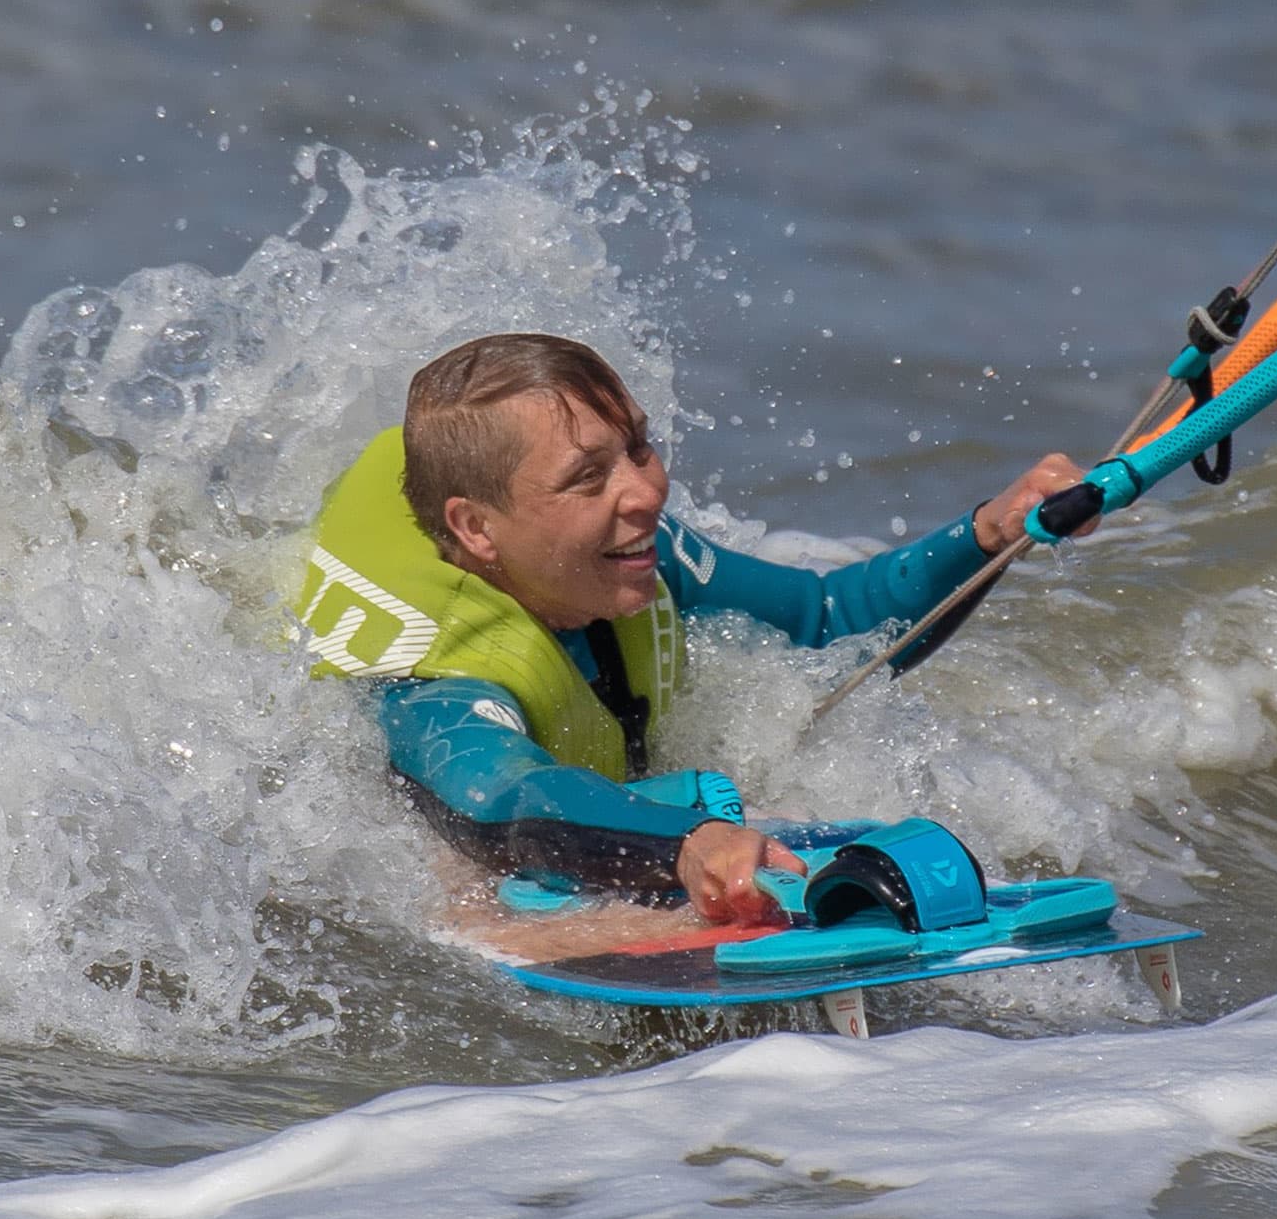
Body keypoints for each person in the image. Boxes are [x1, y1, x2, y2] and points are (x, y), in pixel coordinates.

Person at [297, 333, 1091, 925]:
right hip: (455, 822)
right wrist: (686, 840)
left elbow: (829, 622)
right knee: (467, 897)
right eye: (588, 477)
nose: (645, 493)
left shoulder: (621, 544)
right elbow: (506, 797)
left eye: (638, 447)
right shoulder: (431, 675)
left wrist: (992, 530)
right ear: (476, 529)